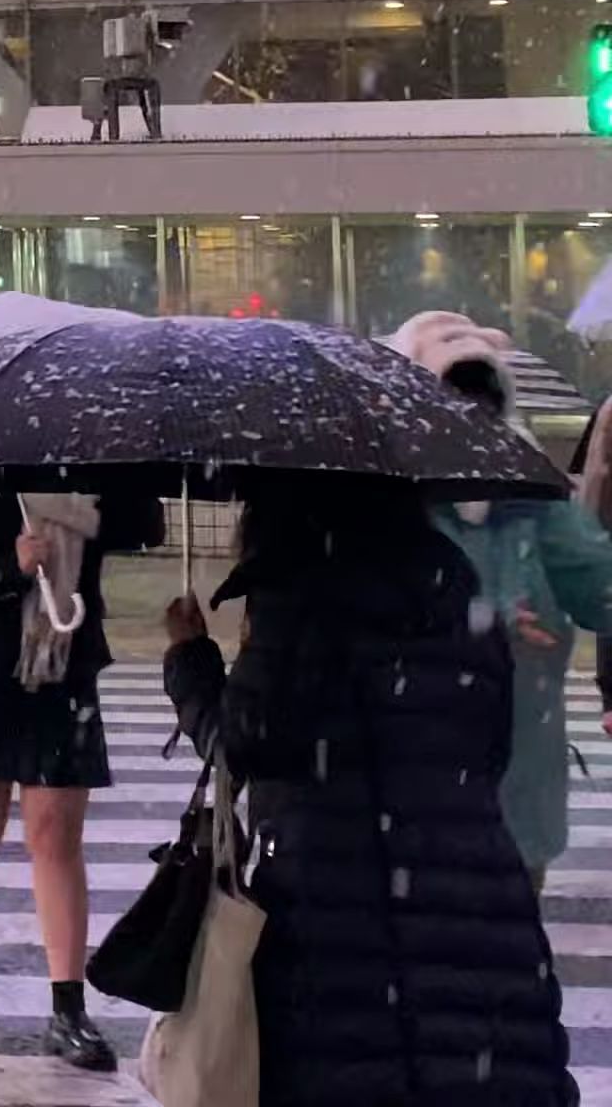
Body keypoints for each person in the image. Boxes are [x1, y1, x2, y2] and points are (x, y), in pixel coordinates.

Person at [163, 474, 573, 1105]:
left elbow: (245, 743)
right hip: (475, 899)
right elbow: (492, 744)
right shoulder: (454, 581)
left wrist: (191, 662)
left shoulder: (297, 593)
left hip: (334, 914)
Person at [0, 480, 162, 1070]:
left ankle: (67, 1007)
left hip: (64, 665)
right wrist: (12, 565)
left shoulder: (88, 455)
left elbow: (144, 527)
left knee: (55, 835)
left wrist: (113, 494)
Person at [399, 311, 612, 883]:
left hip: (518, 797)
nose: (469, 416)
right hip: (413, 797)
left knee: (507, 958)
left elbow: (601, 590)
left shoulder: (532, 494)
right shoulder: (389, 505)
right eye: (452, 396)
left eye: (483, 397)